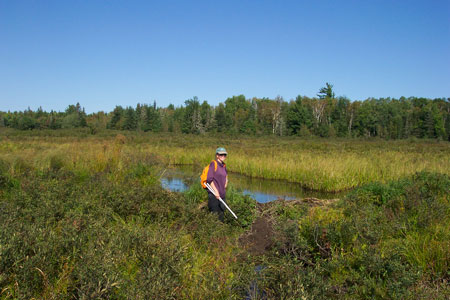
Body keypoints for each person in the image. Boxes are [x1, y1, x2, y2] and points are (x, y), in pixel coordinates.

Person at [206, 147, 228, 222]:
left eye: (224, 155)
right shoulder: (213, 164)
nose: (223, 156)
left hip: (222, 194)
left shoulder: (224, 165)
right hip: (214, 194)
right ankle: (212, 232)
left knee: (222, 214)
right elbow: (209, 179)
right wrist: (216, 192)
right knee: (214, 215)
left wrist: (226, 183)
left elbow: (226, 176)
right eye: (221, 154)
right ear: (217, 155)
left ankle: (221, 231)